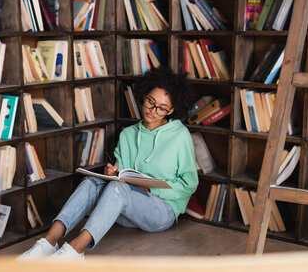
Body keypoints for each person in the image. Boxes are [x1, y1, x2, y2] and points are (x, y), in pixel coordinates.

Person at [19, 67, 199, 260]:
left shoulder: (180, 136)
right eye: (150, 102)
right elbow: (122, 176)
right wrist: (112, 173)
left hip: (162, 212)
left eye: (162, 108)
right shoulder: (128, 134)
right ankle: (48, 242)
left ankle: (75, 250)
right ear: (143, 96)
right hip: (125, 209)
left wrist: (152, 190)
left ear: (171, 110)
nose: (153, 111)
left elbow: (189, 184)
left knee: (117, 190)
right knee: (91, 182)